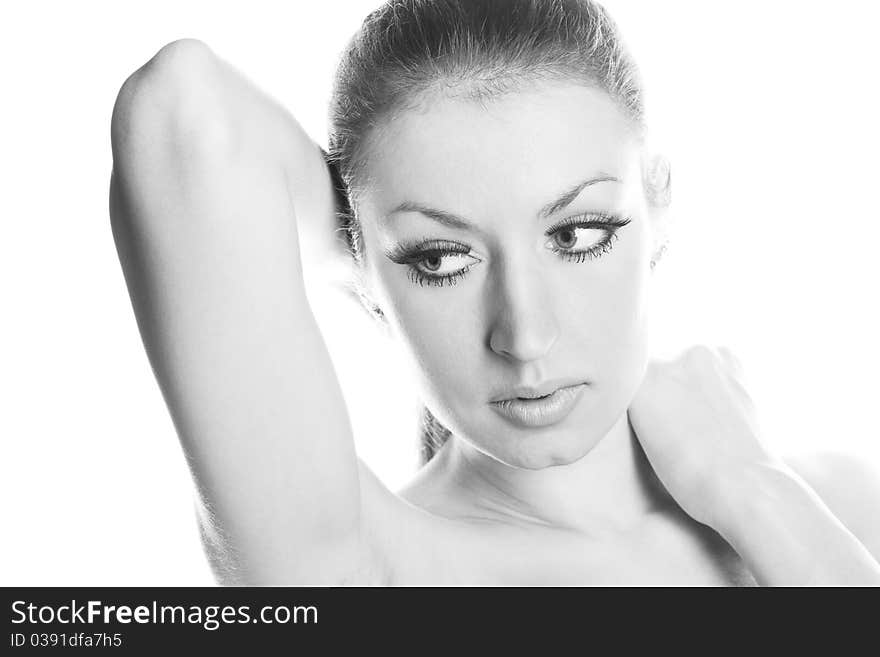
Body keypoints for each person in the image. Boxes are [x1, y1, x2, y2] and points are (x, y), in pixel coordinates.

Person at [109, 0, 880, 585]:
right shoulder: (374, 574)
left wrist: (756, 494)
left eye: (577, 235)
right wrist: (365, 260)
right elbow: (185, 109)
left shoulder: (833, 496)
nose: (525, 334)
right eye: (443, 258)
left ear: (658, 204)